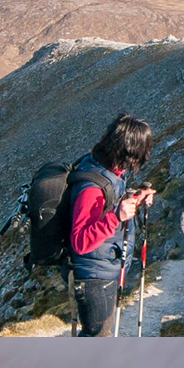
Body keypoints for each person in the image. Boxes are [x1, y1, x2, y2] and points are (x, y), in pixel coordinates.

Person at [67, 113, 156, 336]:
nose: (136, 164)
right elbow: (80, 241)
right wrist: (117, 217)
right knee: (96, 336)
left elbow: (108, 205)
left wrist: (135, 199)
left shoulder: (104, 168)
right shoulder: (92, 189)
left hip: (103, 268)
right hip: (94, 278)